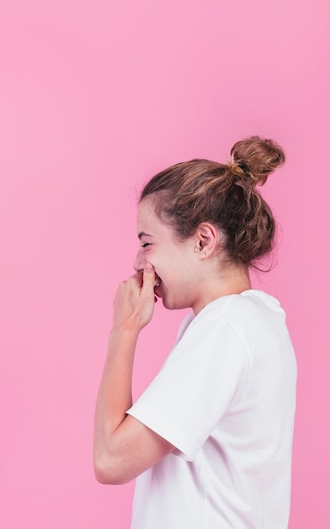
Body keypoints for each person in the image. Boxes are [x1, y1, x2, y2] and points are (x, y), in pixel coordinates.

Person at [93, 136, 297, 528]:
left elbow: (112, 459)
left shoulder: (227, 327)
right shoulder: (251, 321)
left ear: (203, 241)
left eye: (147, 243)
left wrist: (123, 330)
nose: (138, 262)